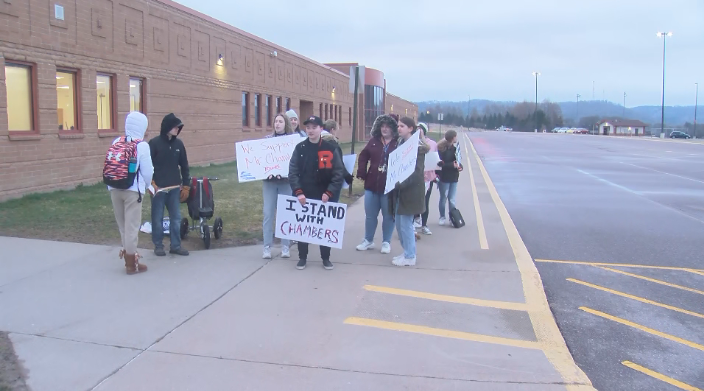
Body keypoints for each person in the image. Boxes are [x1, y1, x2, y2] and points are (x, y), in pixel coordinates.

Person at [288, 116, 344, 270]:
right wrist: (298, 192)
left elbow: (338, 173)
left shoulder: (330, 148)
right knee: (304, 228)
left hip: (325, 196)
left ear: (321, 129)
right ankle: (302, 257)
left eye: (314, 127)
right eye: (308, 127)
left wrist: (329, 193)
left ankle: (326, 258)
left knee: (324, 228)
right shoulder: (300, 148)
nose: (311, 130)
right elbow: (292, 171)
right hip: (304, 195)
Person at [106, 112, 153, 274]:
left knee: (123, 227)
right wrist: (145, 186)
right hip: (133, 191)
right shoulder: (142, 145)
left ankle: (128, 257)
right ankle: (132, 265)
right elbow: (147, 172)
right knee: (132, 228)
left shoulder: (116, 141)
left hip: (114, 188)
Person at [355, 114, 399, 254]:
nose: (384, 129)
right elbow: (363, 156)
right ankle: (368, 240)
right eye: (382, 126)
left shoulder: (398, 143)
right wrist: (362, 171)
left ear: (393, 129)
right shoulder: (373, 141)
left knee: (388, 216)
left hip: (389, 187)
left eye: (387, 126)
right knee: (370, 215)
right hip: (372, 184)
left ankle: (386, 242)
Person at [389, 117, 429, 266]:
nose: (399, 128)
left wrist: (399, 183)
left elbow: (415, 172)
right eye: (398, 126)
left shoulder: (416, 148)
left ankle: (410, 256)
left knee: (406, 225)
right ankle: (406, 252)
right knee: (399, 225)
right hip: (400, 191)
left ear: (411, 128)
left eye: (402, 126)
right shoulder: (401, 143)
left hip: (410, 191)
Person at [149, 113, 191, 256]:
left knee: (176, 218)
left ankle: (176, 245)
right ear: (167, 127)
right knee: (157, 218)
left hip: (174, 188)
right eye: (175, 127)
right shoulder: (154, 144)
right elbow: (147, 166)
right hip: (158, 189)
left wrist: (186, 185)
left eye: (178, 127)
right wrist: (151, 183)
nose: (177, 129)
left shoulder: (179, 144)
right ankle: (158, 246)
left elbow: (184, 166)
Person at [262, 113, 294, 259]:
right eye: (276, 121)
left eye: (280, 121)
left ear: (285, 123)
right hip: (269, 183)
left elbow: (295, 164)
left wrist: (285, 173)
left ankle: (286, 246)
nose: (277, 124)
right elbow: (260, 162)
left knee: (285, 214)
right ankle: (267, 247)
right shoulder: (266, 141)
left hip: (286, 183)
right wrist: (265, 172)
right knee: (268, 214)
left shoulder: (292, 141)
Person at [322, 119, 353, 202]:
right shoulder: (332, 143)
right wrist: (347, 176)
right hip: (332, 181)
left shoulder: (317, 141)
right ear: (332, 130)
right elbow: (338, 163)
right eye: (336, 130)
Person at [437, 130, 463, 225]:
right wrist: (451, 165)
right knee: (443, 198)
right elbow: (440, 164)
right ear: (453, 138)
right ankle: (442, 216)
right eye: (456, 136)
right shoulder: (442, 150)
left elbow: (458, 161)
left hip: (454, 177)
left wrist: (460, 166)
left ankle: (452, 218)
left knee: (452, 199)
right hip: (444, 177)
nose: (457, 138)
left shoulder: (455, 149)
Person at [417, 123, 437, 235]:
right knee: (414, 201)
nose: (418, 131)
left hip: (428, 177)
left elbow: (435, 159)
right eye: (417, 129)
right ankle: (414, 223)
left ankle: (424, 225)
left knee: (425, 202)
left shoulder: (432, 144)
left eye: (420, 129)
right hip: (416, 177)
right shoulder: (412, 143)